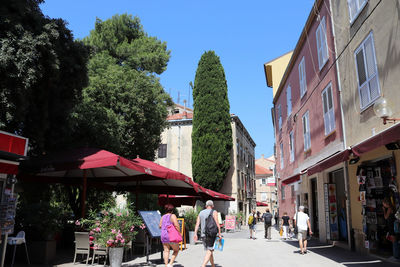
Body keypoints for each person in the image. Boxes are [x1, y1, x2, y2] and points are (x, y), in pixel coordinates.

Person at [194, 200, 222, 267]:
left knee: (209, 250)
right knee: (210, 250)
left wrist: (195, 233)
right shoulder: (214, 212)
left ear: (206, 206)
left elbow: (197, 224)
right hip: (211, 234)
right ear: (212, 206)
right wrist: (220, 233)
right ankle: (203, 265)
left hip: (203, 235)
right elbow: (217, 223)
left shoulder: (201, 213)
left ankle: (213, 265)